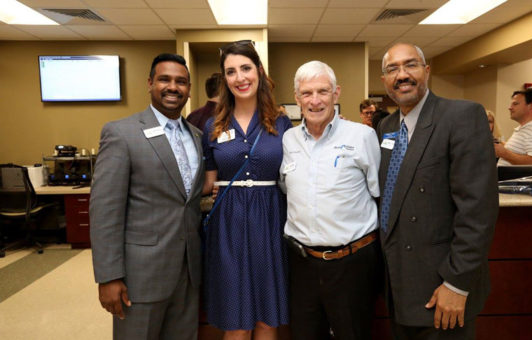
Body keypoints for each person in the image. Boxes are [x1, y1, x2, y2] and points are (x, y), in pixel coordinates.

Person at [377, 43, 498, 339]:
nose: (402, 75)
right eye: (392, 69)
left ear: (426, 71)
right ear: (384, 81)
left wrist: (457, 283)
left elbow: (477, 210)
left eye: (411, 65)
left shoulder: (461, 117)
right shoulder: (386, 127)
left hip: (442, 287)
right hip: (399, 283)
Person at [90, 53, 204, 339]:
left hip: (188, 273)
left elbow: (187, 199)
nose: (173, 87)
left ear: (189, 89)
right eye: (164, 79)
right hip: (141, 276)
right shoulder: (122, 133)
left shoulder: (197, 136)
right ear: (150, 83)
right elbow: (105, 210)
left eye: (181, 82)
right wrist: (108, 276)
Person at [280, 60, 382, 340]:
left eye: (322, 92)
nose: (315, 101)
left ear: (336, 94)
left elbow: (379, 193)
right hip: (302, 265)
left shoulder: (363, 136)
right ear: (297, 97)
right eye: (307, 93)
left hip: (351, 264)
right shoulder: (288, 140)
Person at [201, 40, 292, 340]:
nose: (240, 78)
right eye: (231, 71)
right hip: (228, 225)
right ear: (224, 79)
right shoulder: (212, 125)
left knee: (268, 317)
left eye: (245, 68)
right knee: (236, 319)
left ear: (259, 71)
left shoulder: (281, 122)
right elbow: (207, 182)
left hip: (270, 222)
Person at [495, 88, 532, 165]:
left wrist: (505, 153)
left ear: (531, 106)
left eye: (515, 104)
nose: (510, 108)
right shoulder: (526, 129)